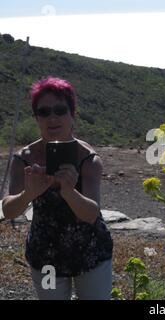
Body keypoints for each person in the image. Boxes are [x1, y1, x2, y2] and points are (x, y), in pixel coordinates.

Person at [1, 76, 113, 300]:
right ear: (36, 118)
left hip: (91, 254)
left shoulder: (88, 159)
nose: (52, 117)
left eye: (60, 110)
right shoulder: (23, 160)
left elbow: (92, 214)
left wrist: (69, 192)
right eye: (44, 112)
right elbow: (9, 210)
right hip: (46, 258)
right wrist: (28, 194)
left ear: (72, 115)